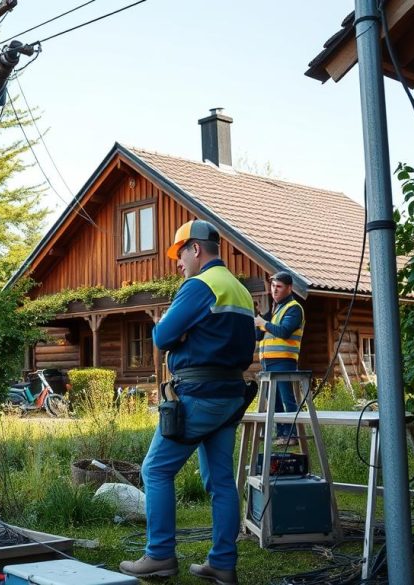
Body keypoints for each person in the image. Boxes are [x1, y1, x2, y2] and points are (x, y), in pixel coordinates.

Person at [120, 220, 255, 585]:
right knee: (222, 482)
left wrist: (172, 328)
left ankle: (160, 555)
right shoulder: (239, 290)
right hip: (230, 397)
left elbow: (162, 335)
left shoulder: (198, 286)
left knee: (156, 470)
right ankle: (222, 563)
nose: (178, 263)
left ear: (196, 249)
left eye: (180, 253)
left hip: (199, 397)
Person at [254, 271, 305, 446]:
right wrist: (258, 320)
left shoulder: (294, 308)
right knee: (273, 401)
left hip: (284, 360)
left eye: (279, 287)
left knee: (286, 398)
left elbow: (284, 332)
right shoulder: (275, 310)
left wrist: (264, 324)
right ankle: (283, 434)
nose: (274, 290)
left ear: (289, 288)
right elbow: (259, 337)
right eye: (273, 286)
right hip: (268, 362)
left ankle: (292, 435)